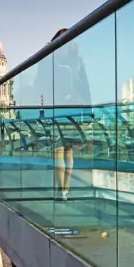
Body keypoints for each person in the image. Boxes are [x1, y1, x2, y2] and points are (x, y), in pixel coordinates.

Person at [50, 28, 91, 201]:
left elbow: (41, 85)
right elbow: (86, 86)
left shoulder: (50, 60)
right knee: (68, 152)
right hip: (73, 109)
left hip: (58, 109)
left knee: (59, 151)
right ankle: (66, 190)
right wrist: (89, 112)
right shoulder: (77, 61)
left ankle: (61, 191)